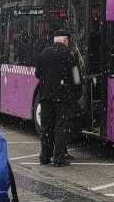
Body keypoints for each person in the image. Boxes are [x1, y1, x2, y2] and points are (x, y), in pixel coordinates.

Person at [34, 29, 82, 167]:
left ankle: (45, 157)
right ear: (66, 40)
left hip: (45, 97)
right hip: (64, 98)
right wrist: (77, 93)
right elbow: (76, 77)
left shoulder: (44, 53)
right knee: (61, 127)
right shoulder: (70, 55)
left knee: (46, 128)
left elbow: (37, 74)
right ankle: (59, 158)